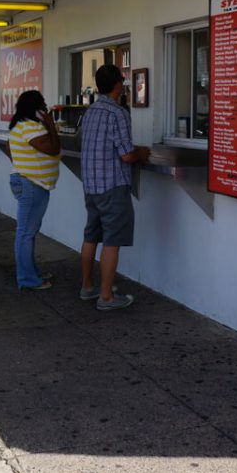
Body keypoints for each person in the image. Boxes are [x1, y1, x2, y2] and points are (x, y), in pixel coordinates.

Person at [80, 64, 151, 311]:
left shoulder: (90, 112)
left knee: (91, 236)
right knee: (112, 239)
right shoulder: (117, 113)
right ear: (118, 85)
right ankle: (107, 297)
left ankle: (88, 287)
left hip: (91, 186)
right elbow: (127, 156)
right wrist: (141, 152)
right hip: (112, 186)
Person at [8, 90, 61, 291]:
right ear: (36, 108)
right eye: (43, 105)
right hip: (31, 184)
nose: (46, 108)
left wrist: (20, 165)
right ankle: (27, 279)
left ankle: (31, 272)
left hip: (29, 182)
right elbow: (53, 149)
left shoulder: (20, 126)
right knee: (25, 233)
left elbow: (8, 146)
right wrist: (50, 124)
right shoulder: (29, 127)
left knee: (28, 232)